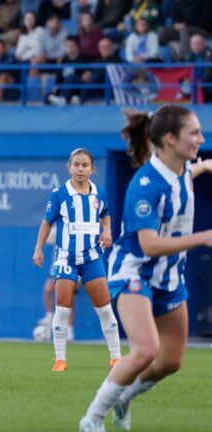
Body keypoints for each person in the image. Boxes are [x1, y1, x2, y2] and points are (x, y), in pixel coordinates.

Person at [78, 105, 212, 432]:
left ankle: (123, 400)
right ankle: (92, 419)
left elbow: (184, 178)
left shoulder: (180, 169)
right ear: (170, 138)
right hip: (134, 271)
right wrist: (204, 238)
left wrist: (205, 166)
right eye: (194, 133)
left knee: (170, 362)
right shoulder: (146, 184)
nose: (201, 138)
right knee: (145, 351)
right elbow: (150, 245)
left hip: (169, 277)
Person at [33, 148, 122, 372]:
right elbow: (46, 223)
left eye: (84, 165)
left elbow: (106, 214)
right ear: (69, 167)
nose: (80, 169)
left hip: (92, 258)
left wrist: (108, 230)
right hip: (65, 259)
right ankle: (60, 360)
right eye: (76, 165)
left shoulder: (98, 194)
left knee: (104, 309)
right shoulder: (59, 194)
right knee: (62, 309)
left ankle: (116, 358)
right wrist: (39, 249)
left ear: (92, 168)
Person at [186, 35, 212, 103]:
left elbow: (208, 72)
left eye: (198, 43)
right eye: (193, 43)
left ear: (203, 44)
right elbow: (185, 69)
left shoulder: (209, 54)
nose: (195, 45)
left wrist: (200, 84)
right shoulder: (190, 54)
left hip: (206, 86)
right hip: (195, 85)